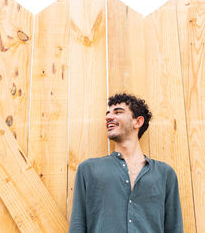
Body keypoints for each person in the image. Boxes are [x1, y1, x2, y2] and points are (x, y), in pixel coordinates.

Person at [68, 93, 183, 233]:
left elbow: (174, 228)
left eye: (118, 112)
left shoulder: (165, 174)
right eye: (108, 113)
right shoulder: (88, 170)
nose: (108, 117)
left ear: (138, 122)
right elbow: (77, 226)